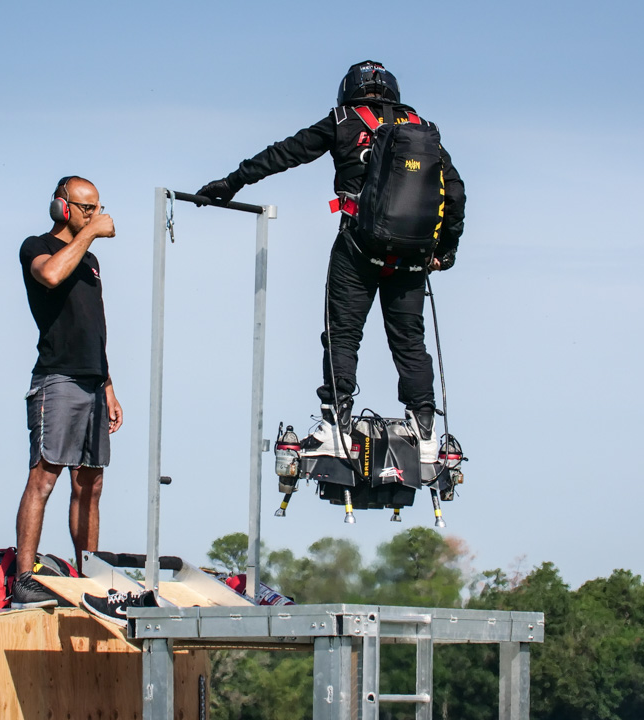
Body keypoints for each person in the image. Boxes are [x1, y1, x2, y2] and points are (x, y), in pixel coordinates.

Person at [194, 61, 466, 464]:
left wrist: (233, 182)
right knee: (409, 341)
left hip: (358, 247)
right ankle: (424, 429)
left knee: (342, 334)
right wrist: (446, 250)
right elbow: (455, 192)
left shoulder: (342, 121)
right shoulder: (423, 130)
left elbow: (283, 153)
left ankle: (337, 427)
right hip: (412, 256)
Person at [11, 176, 123, 608]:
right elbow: (52, 275)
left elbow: (94, 325)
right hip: (57, 379)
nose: (95, 214)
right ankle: (25, 576)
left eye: (97, 208)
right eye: (86, 208)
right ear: (63, 208)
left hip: (95, 381)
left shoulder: (91, 261)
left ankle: (89, 575)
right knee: (45, 476)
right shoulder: (36, 246)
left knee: (90, 484)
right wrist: (91, 233)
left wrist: (109, 384)